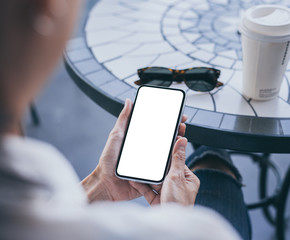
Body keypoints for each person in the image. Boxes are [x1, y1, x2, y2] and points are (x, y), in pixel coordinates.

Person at [0, 1, 251, 240]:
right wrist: (178, 218)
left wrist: (100, 183)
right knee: (213, 167)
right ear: (47, 5)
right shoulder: (200, 232)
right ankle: (213, 150)